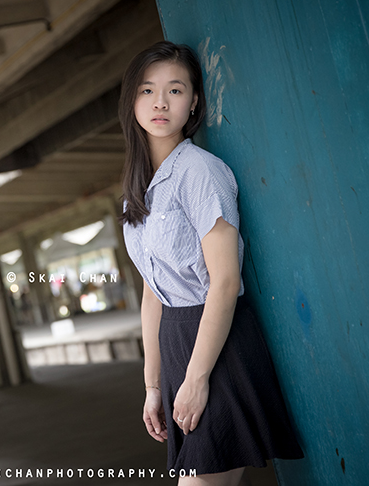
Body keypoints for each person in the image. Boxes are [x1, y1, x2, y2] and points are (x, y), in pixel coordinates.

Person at [119, 41, 304, 485]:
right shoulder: (139, 190)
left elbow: (223, 282)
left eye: (176, 90)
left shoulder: (200, 171)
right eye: (148, 90)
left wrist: (197, 377)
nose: (161, 102)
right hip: (178, 345)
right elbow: (151, 291)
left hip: (216, 345)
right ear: (132, 100)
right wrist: (152, 385)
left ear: (194, 102)